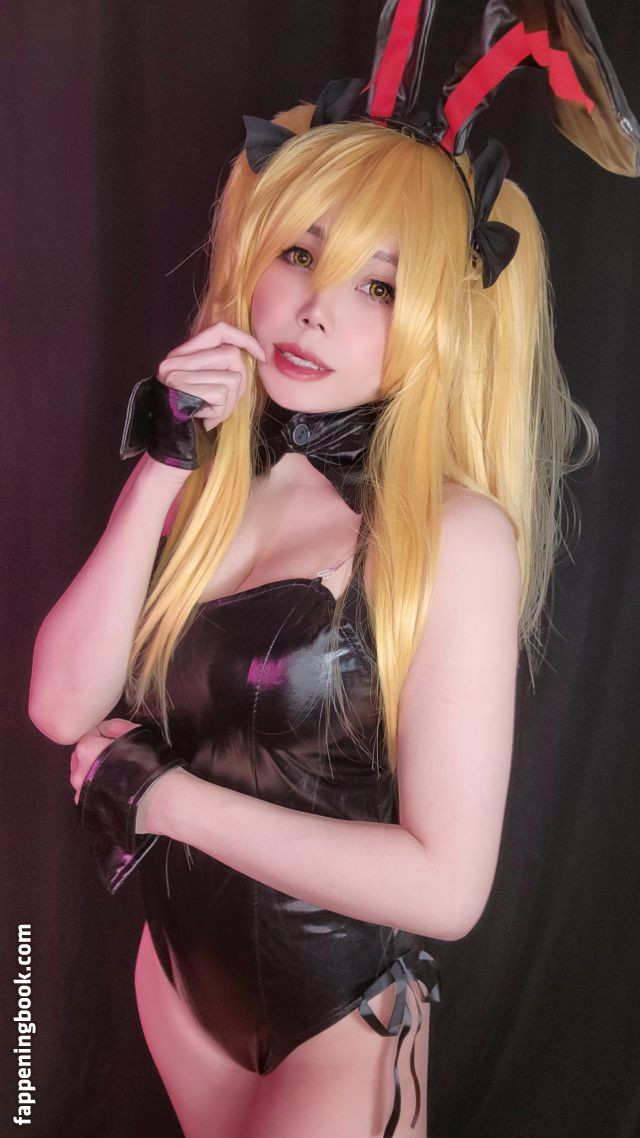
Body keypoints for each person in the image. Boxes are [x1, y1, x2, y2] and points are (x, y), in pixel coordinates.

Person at [29, 90, 599, 1138]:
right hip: (177, 991)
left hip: (338, 1024)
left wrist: (166, 803)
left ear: (440, 319)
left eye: (379, 284)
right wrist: (163, 463)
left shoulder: (453, 533)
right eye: (300, 253)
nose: (315, 310)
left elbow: (447, 887)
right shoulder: (212, 484)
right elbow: (62, 706)